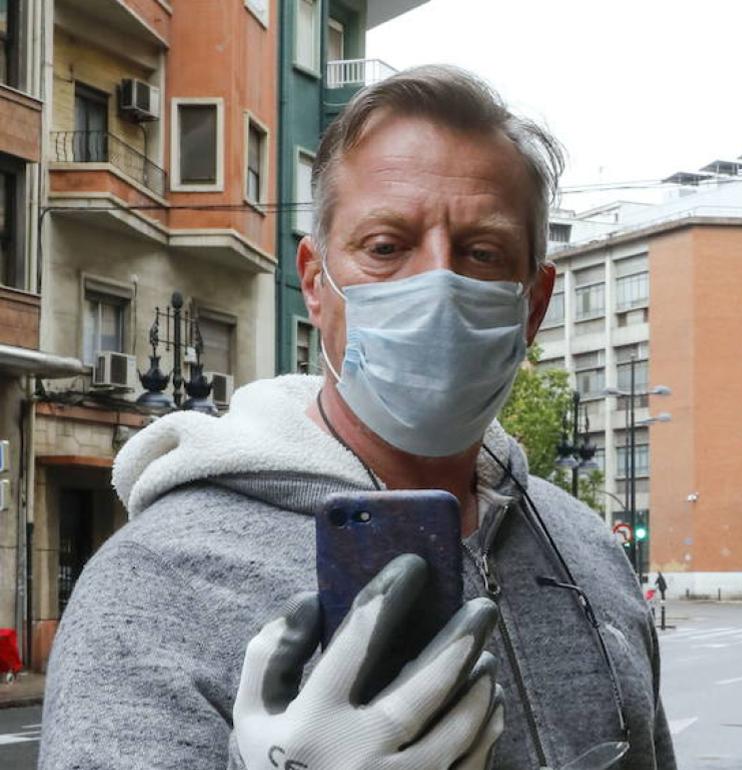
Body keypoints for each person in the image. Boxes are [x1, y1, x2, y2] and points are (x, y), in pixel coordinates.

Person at [40, 65, 674, 770]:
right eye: (386, 247)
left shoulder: (586, 549)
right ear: (317, 285)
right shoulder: (158, 578)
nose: (437, 282)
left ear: (533, 302)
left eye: (482, 253)